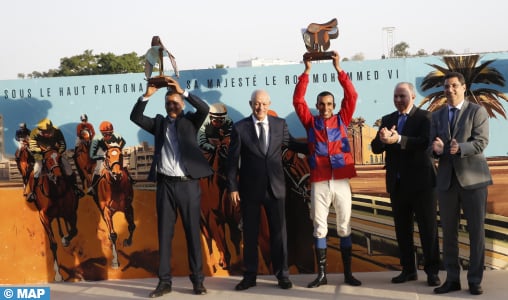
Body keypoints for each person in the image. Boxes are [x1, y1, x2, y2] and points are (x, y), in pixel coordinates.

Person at [130, 77, 212, 298]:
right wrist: (147, 95)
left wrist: (182, 91)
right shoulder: (158, 123)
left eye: (176, 103)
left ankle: (198, 281)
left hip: (188, 186)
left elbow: (204, 108)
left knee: (192, 234)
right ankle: (164, 282)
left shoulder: (192, 121)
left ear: (182, 104)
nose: (172, 106)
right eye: (169, 103)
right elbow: (135, 116)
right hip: (165, 186)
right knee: (164, 236)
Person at [292, 51, 361, 288]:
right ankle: (321, 275)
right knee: (320, 227)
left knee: (344, 226)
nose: (325, 108)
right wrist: (307, 72)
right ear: (316, 106)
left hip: (341, 180)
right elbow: (298, 101)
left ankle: (348, 274)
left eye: (329, 104)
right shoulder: (311, 122)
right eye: (321, 104)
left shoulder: (342, 118)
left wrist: (338, 68)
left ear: (334, 105)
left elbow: (351, 94)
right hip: (320, 180)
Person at [371, 82, 441, 286]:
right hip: (398, 184)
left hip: (423, 185)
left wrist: (399, 139)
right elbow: (375, 148)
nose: (399, 100)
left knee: (428, 230)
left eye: (402, 96)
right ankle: (408, 270)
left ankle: (432, 272)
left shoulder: (425, 117)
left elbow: (424, 143)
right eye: (396, 96)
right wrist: (383, 139)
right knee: (403, 231)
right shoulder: (388, 119)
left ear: (413, 97)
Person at [430, 71, 493, 295]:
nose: (450, 90)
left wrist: (461, 149)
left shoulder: (477, 111)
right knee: (448, 233)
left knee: (476, 232)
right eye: (447, 86)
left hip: (474, 180)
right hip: (446, 183)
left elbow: (481, 141)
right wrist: (436, 151)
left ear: (463, 87)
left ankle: (475, 280)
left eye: (454, 85)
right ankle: (452, 279)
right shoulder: (436, 116)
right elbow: (432, 147)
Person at [226, 89, 293, 291]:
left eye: (264, 103)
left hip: (275, 189)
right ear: (250, 104)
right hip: (250, 190)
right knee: (250, 234)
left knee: (279, 235)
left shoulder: (280, 124)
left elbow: (292, 145)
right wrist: (232, 187)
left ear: (269, 104)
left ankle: (282, 275)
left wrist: (317, 147)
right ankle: (250, 276)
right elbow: (231, 161)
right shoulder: (239, 128)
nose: (260, 107)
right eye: (257, 103)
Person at [27, 118, 84, 202]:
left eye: (49, 131)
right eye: (45, 132)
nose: (48, 134)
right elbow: (33, 147)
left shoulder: (57, 131)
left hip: (55, 152)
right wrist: (42, 152)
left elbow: (62, 144)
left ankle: (75, 188)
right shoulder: (34, 133)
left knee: (68, 168)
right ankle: (32, 192)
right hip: (40, 154)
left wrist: (58, 153)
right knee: (37, 169)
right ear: (40, 131)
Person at [88, 120, 127, 195]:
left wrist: (118, 149)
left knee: (124, 165)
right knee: (97, 169)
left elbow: (123, 142)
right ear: (102, 133)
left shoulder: (117, 135)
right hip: (102, 154)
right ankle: (93, 187)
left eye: (110, 133)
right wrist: (102, 157)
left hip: (114, 153)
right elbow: (91, 155)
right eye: (106, 134)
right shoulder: (96, 139)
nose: (108, 136)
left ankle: (130, 179)